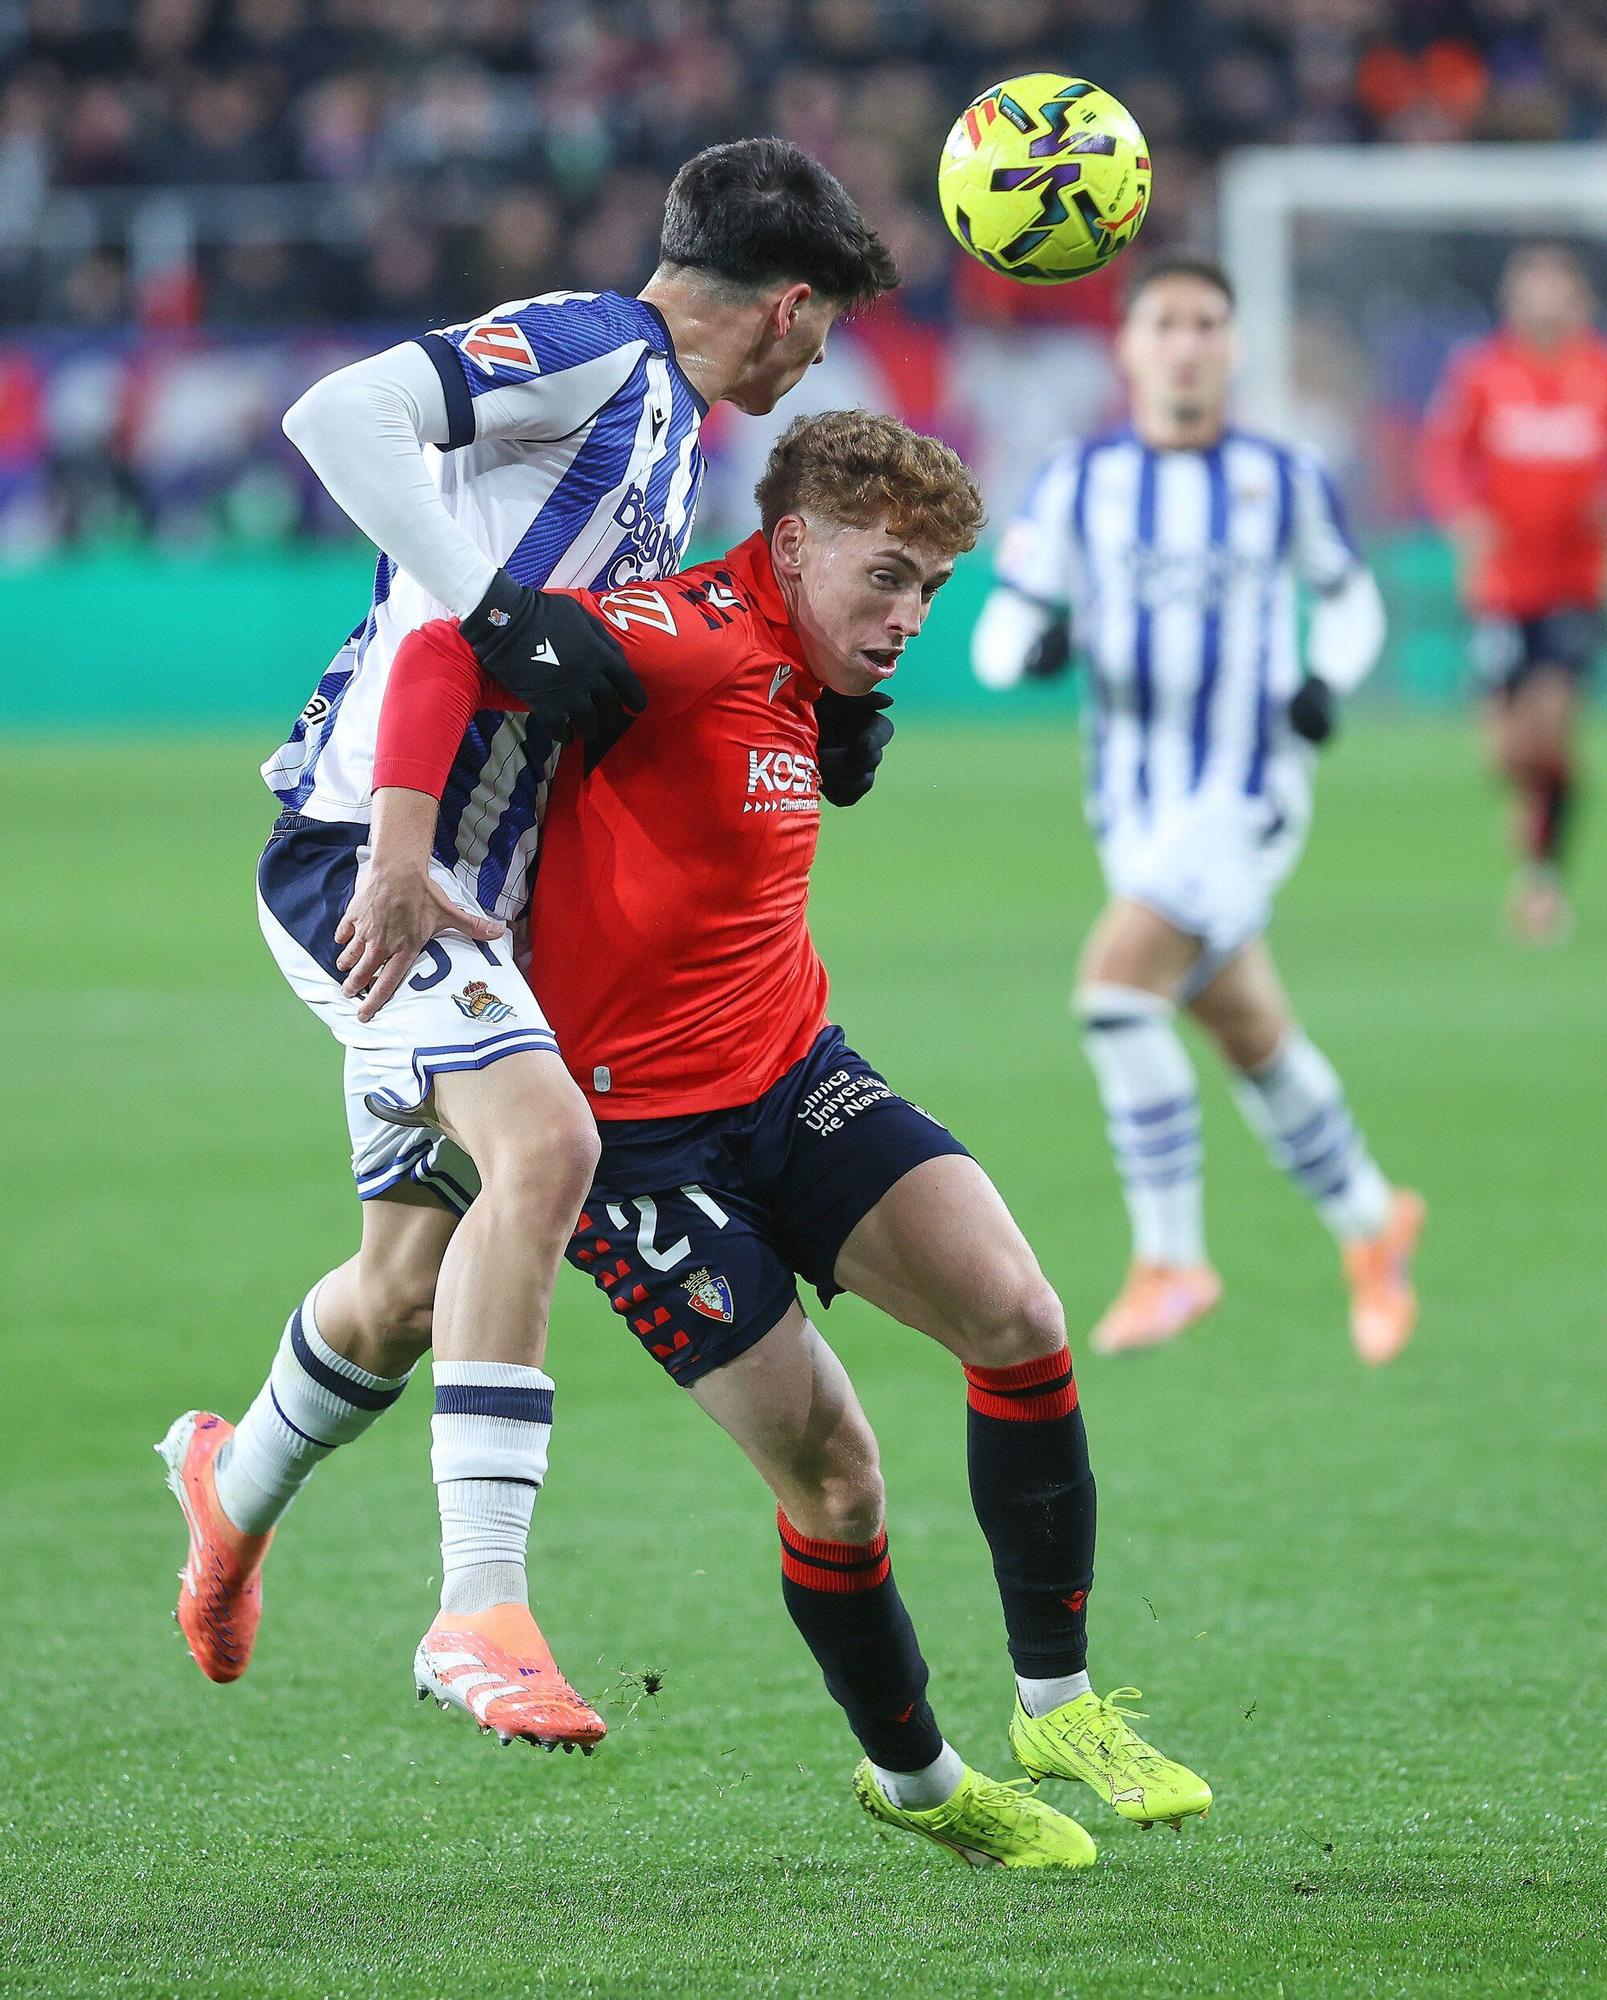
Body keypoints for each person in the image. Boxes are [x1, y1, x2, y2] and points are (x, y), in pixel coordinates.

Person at [351, 408, 1212, 1871]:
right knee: (837, 1478)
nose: (907, 617)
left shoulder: (806, 673)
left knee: (1016, 1316)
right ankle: (920, 1781)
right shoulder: (668, 634)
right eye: (885, 577)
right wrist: (398, 855)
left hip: (792, 1073)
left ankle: (1057, 1705)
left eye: (930, 590)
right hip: (636, 1153)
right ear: (794, 542)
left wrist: (831, 707)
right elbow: (443, 652)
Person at [157, 140, 899, 1755]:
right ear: (785, 308)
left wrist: (817, 703)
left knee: (404, 1287)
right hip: (374, 853)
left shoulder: (664, 442)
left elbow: (610, 668)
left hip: (487, 888)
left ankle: (233, 1483)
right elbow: (337, 416)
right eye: (827, 324)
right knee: (543, 1140)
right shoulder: (591, 345)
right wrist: (487, 610)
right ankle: (476, 1607)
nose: (822, 355)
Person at [971, 255, 1423, 1364]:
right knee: (1245, 1028)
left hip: (1247, 788)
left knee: (1114, 991)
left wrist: (1328, 676)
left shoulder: (1283, 473)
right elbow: (1002, 627)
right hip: (1131, 803)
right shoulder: (1078, 479)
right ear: (1126, 347)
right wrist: (1030, 650)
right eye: (1164, 323)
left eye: (1205, 324)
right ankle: (1371, 1220)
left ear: (1232, 344)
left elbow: (1347, 595)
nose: (1184, 342)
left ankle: (1171, 1257)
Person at [1422, 243, 1607, 943]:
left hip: (1573, 581)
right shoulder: (1481, 374)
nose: (1542, 303)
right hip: (1500, 585)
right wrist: (1460, 516)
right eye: (1530, 289)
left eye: (1554, 290)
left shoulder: (1596, 373)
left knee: (1550, 721)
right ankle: (1532, 798)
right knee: (1503, 751)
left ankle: (1541, 881)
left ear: (1576, 300)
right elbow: (1442, 454)